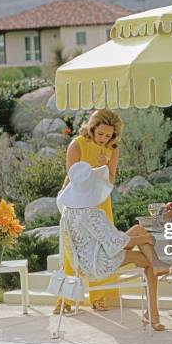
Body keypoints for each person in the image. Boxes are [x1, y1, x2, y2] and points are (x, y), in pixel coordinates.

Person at [57, 162, 172, 331]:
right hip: (98, 263)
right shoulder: (92, 214)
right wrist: (147, 238)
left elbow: (111, 239)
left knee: (137, 229)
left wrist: (141, 237)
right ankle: (152, 313)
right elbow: (114, 244)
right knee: (147, 257)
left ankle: (157, 268)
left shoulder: (67, 211)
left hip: (83, 263)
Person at [54, 109, 123, 314]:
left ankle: (99, 297)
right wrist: (96, 167)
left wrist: (103, 167)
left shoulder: (113, 147)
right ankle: (65, 299)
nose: (104, 139)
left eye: (108, 135)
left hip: (101, 202)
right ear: (91, 128)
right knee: (72, 250)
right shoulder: (77, 144)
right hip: (76, 203)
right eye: (100, 134)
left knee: (102, 248)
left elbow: (110, 179)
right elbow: (74, 178)